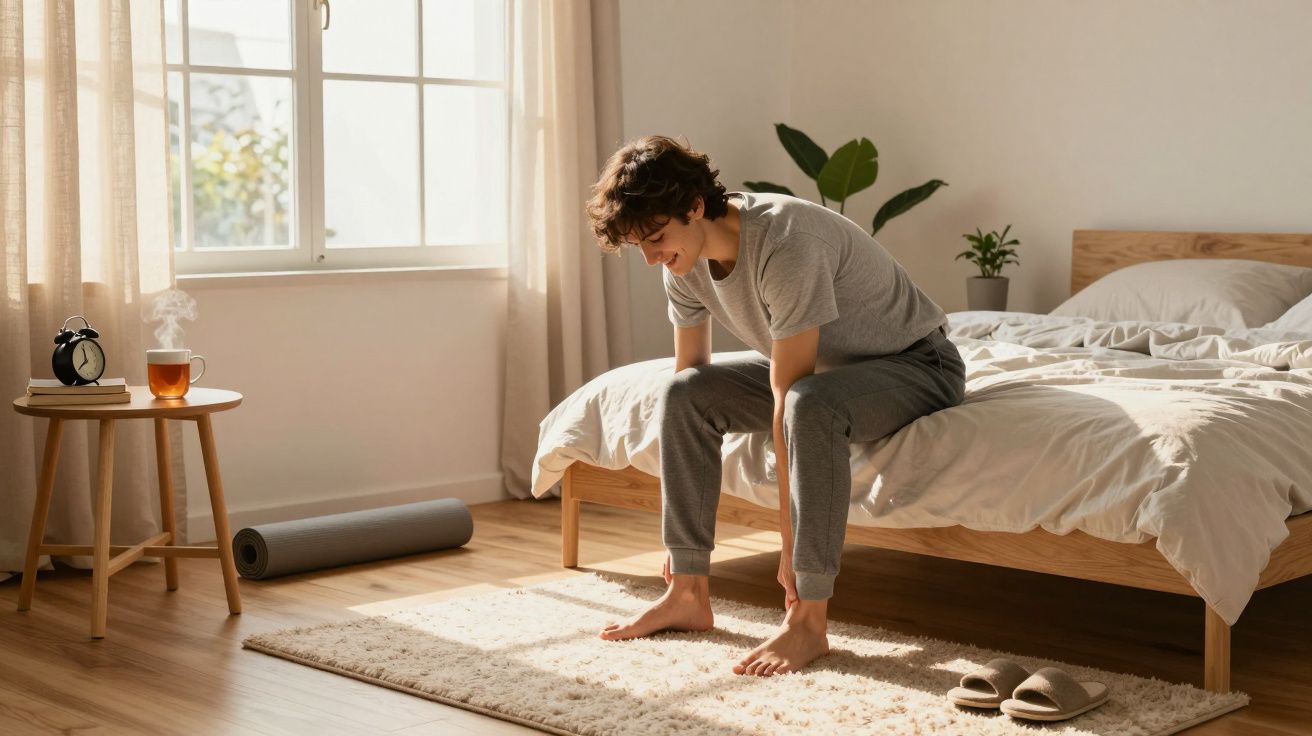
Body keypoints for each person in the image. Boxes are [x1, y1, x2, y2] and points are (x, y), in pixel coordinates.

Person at [583, 135, 966, 676]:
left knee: (810, 405)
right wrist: (682, 544)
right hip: (830, 374)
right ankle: (687, 594)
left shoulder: (787, 242)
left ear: (695, 207)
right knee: (682, 393)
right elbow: (691, 374)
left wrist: (789, 545)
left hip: (916, 366)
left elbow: (791, 397)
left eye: (656, 238)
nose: (650, 258)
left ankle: (808, 621)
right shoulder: (681, 261)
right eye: (638, 246)